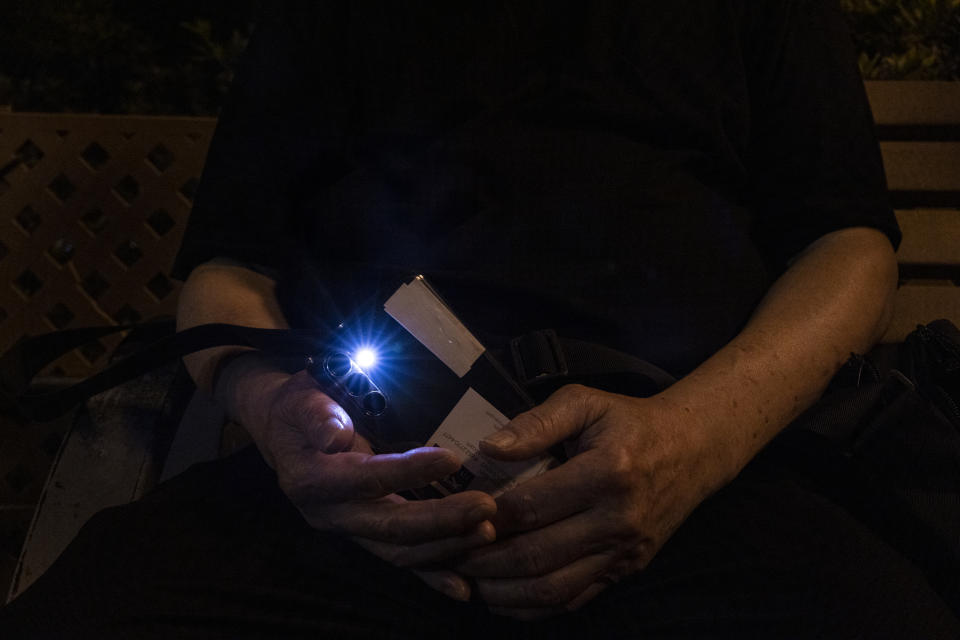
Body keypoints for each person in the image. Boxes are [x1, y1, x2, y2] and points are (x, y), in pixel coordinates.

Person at [3, 0, 959, 637]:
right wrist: (273, 411)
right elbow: (228, 270)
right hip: (357, 492)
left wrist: (693, 443)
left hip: (695, 482)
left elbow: (850, 245)